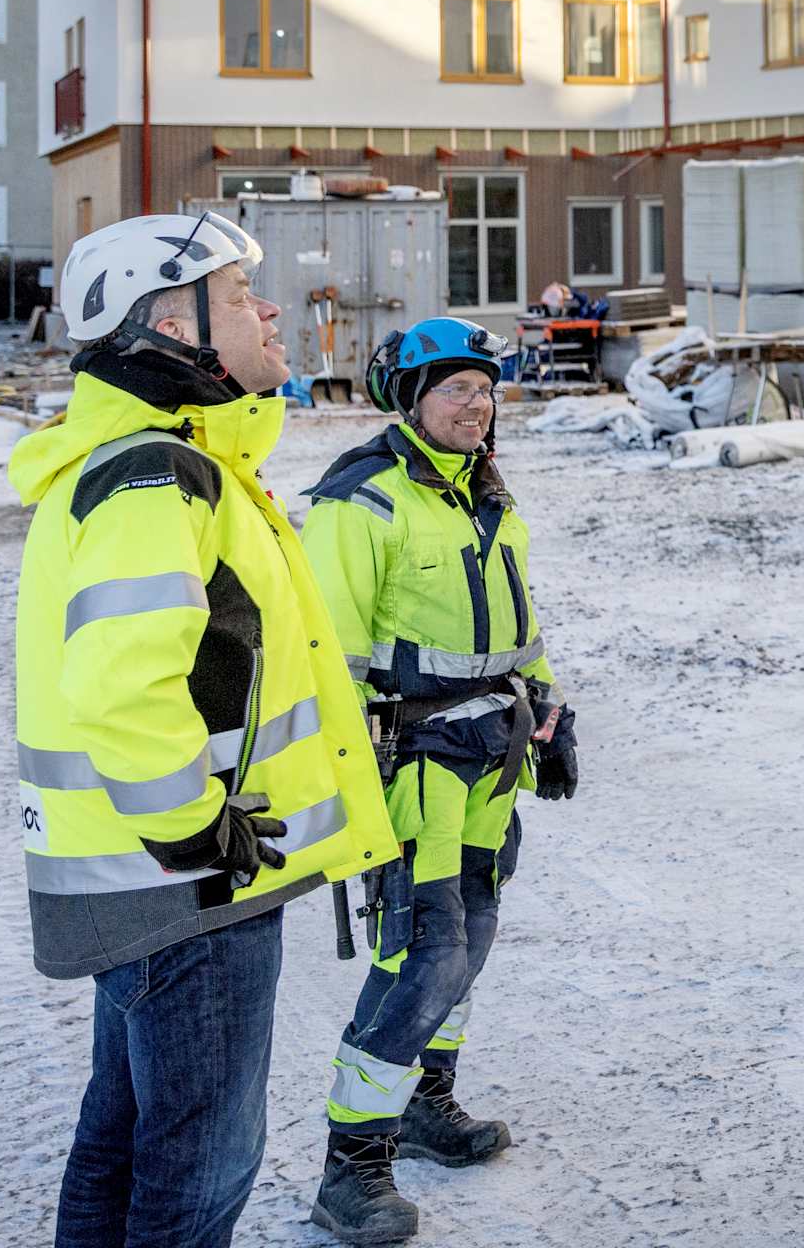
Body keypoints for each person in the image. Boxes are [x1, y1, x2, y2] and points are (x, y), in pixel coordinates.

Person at [11, 211, 398, 1248]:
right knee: (199, 1164)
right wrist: (190, 823)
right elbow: (122, 687)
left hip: (152, 880)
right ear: (169, 328)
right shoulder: (153, 476)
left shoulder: (171, 463)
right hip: (188, 885)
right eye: (236, 297)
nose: (269, 308)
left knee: (128, 1135)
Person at [297, 318, 577, 1245]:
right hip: (410, 762)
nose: (476, 404)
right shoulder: (362, 499)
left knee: (475, 938)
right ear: (407, 399)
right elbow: (325, 656)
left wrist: (550, 707)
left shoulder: (483, 497)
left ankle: (425, 1104)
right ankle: (352, 1165)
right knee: (424, 954)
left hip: (491, 757)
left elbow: (518, 630)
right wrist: (343, 775)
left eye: (486, 389)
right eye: (455, 388)